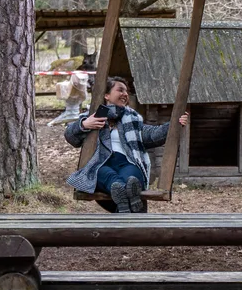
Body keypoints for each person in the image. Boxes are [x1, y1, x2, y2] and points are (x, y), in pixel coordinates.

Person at [65, 77, 188, 213]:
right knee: (106, 176)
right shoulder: (93, 117)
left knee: (132, 179)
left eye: (126, 91)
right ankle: (128, 200)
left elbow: (153, 135)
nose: (125, 94)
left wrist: (174, 124)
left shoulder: (132, 119)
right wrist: (84, 124)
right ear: (106, 95)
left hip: (127, 163)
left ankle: (124, 204)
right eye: (120, 90)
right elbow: (70, 136)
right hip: (100, 164)